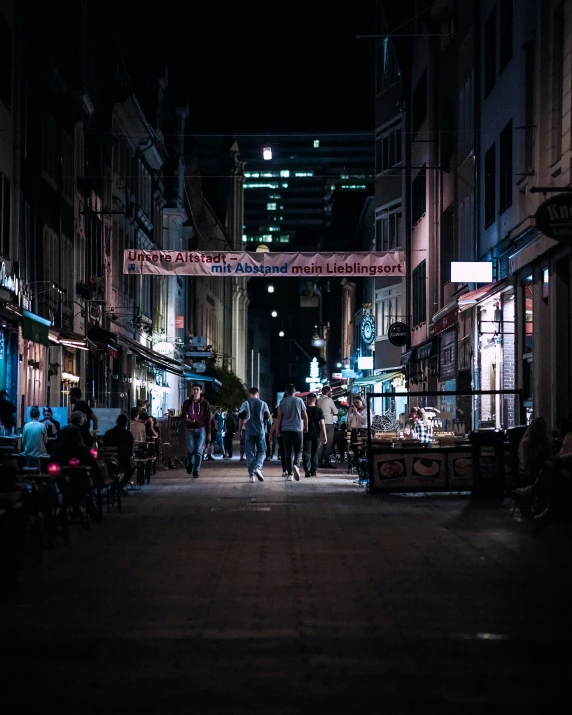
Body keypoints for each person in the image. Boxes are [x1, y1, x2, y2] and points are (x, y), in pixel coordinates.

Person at [274, 384, 308, 481]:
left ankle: (290, 474)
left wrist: (277, 430)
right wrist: (306, 426)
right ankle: (296, 465)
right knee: (299, 450)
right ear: (294, 391)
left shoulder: (282, 402)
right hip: (298, 429)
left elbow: (279, 417)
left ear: (286, 392)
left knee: (287, 452)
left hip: (285, 430)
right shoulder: (299, 401)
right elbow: (305, 415)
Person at [239, 387, 271, 482]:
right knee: (262, 451)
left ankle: (251, 476)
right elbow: (267, 418)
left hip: (249, 431)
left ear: (250, 394)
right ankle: (258, 467)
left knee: (249, 454)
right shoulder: (263, 404)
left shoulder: (245, 404)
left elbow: (241, 419)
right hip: (260, 432)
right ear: (258, 394)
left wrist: (240, 430)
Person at [181, 383, 211, 477]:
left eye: (197, 389)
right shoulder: (187, 402)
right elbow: (183, 415)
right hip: (189, 428)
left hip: (201, 428)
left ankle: (196, 470)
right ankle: (190, 462)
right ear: (192, 390)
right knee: (190, 449)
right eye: (194, 389)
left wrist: (209, 432)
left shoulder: (205, 403)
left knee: (198, 451)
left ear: (201, 391)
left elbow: (208, 418)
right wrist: (187, 419)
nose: (196, 391)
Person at [103, 413, 135, 488]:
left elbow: (105, 446)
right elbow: (130, 452)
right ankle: (118, 487)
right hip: (123, 461)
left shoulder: (108, 433)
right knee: (131, 468)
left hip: (108, 461)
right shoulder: (128, 434)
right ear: (126, 423)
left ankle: (115, 487)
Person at [303, 393, 326, 477]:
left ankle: (307, 470)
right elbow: (322, 424)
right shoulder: (319, 410)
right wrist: (325, 435)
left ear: (308, 400)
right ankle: (314, 471)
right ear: (315, 400)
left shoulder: (304, 409)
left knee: (306, 452)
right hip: (316, 434)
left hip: (306, 433)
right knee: (315, 452)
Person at [317, 385, 337, 468]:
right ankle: (326, 461)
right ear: (328, 392)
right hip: (328, 423)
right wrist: (331, 411)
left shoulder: (318, 400)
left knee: (320, 443)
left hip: (319, 423)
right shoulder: (329, 400)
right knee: (328, 443)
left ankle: (319, 462)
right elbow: (336, 411)